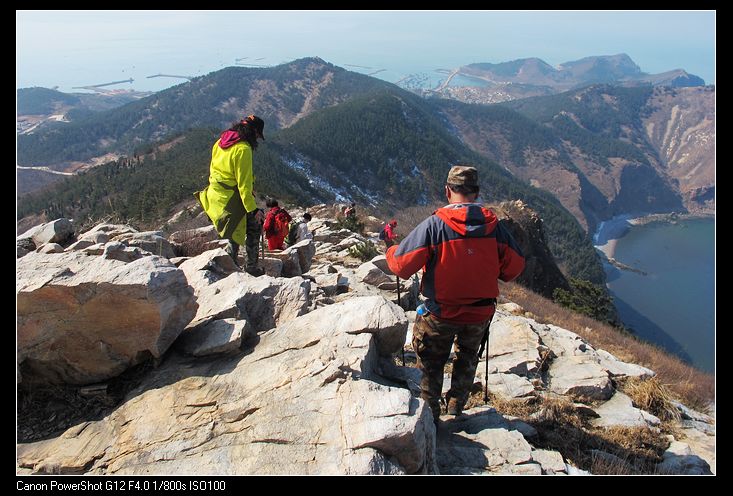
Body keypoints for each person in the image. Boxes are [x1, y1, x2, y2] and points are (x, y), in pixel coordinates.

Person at [385, 165, 525, 424]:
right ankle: (456, 406)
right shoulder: (494, 228)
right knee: (468, 357)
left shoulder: (435, 225)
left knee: (430, 363)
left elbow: (401, 267)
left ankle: (430, 418)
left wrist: (392, 250)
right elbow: (514, 268)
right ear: (476, 192)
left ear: (448, 191)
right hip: (480, 311)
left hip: (440, 312)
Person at [194, 114, 266, 271]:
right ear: (253, 132)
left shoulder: (220, 142)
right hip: (232, 198)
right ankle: (251, 268)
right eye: (257, 136)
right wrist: (253, 210)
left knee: (234, 229)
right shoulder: (243, 149)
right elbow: (244, 185)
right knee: (253, 226)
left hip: (216, 196)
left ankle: (230, 264)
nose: (257, 140)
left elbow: (213, 169)